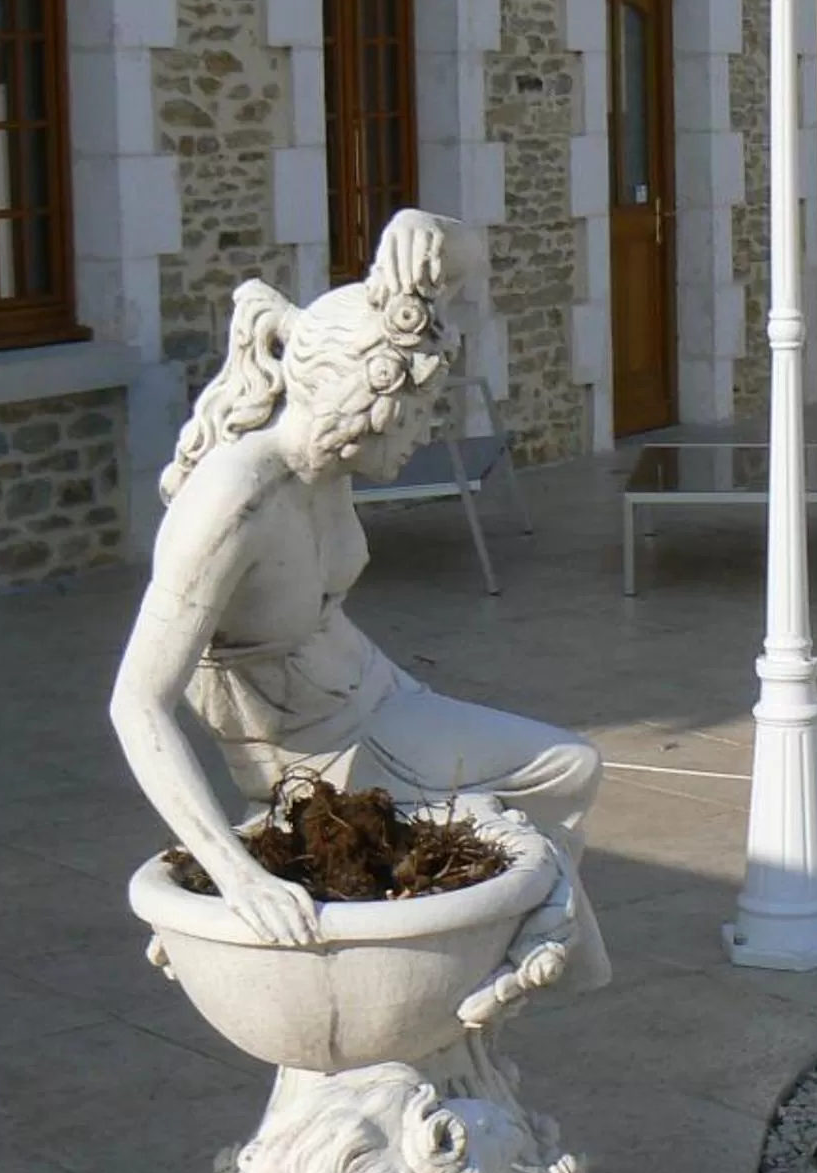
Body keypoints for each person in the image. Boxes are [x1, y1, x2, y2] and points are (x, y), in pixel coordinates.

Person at [110, 211, 606, 980]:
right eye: (415, 411)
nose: (422, 431)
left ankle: (507, 947)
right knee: (550, 780)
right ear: (359, 397)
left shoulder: (327, 473)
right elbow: (136, 703)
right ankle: (506, 953)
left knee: (564, 769)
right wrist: (237, 876)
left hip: (378, 699)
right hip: (316, 750)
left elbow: (470, 256)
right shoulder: (236, 499)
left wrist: (429, 229)